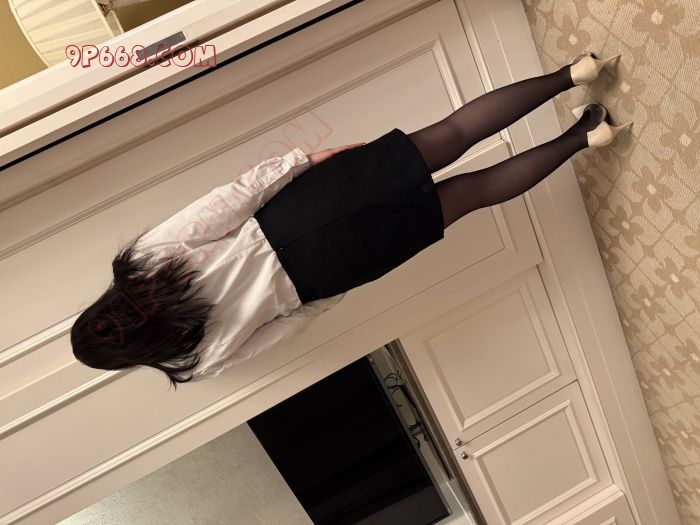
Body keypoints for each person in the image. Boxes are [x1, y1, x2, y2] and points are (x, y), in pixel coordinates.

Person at [71, 52, 632, 389]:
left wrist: (333, 284)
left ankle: (585, 136)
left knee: (474, 192)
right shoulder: (143, 262)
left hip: (327, 270)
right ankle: (574, 72)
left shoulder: (194, 363)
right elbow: (230, 201)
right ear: (104, 308)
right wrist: (305, 160)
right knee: (451, 133)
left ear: (126, 357)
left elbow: (290, 326)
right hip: (296, 214)